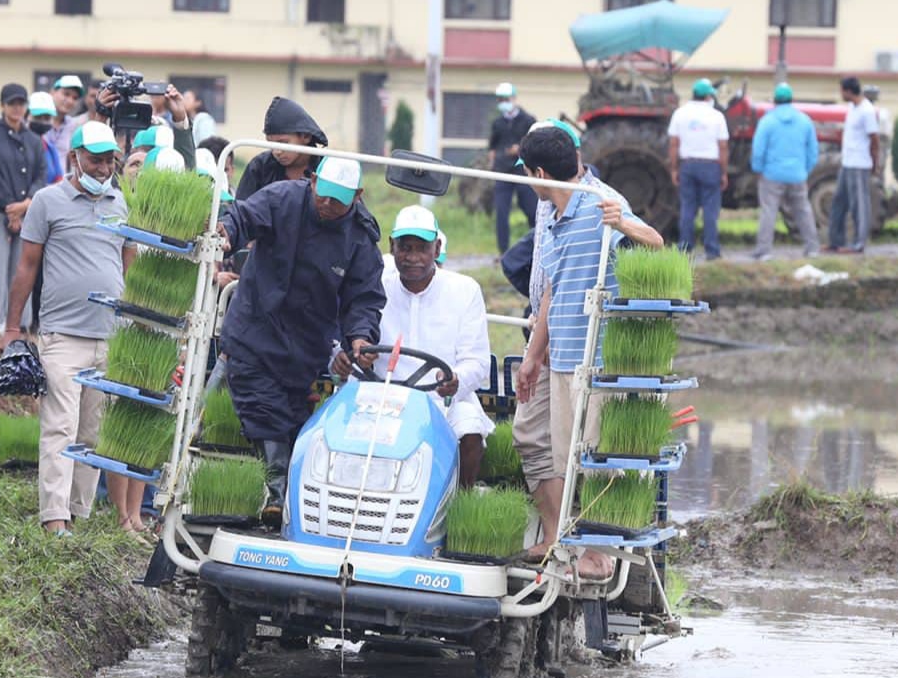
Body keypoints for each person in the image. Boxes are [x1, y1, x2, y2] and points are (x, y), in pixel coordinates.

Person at [515, 126, 658, 578]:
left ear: (540, 174)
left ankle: (598, 556)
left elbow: (655, 243)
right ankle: (565, 542)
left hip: (596, 361)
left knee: (595, 457)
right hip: (561, 358)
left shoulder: (600, 203)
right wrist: (533, 356)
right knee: (566, 458)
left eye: (526, 173)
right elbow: (553, 291)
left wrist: (624, 223)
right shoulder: (554, 217)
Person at [216, 156, 385, 527]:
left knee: (295, 423)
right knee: (263, 411)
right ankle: (276, 494)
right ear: (313, 181)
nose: (327, 203)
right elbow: (244, 216)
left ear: (357, 196)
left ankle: (295, 508)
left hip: (305, 345)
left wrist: (360, 338)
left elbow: (364, 299)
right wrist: (227, 231)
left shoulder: (360, 239)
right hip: (254, 329)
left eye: (338, 200)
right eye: (323, 194)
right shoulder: (282, 198)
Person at [0, 122, 136, 536]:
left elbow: (130, 267)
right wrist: (12, 327)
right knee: (60, 426)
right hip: (62, 335)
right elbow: (27, 266)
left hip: (109, 335)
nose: (103, 169)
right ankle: (54, 517)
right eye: (95, 160)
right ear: (74, 157)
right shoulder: (48, 201)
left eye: (109, 161)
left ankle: (78, 511)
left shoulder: (121, 203)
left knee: (92, 433)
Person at [334, 205, 492, 485]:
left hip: (440, 399)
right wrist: (344, 358)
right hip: (376, 394)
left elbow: (477, 362)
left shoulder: (464, 290)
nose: (413, 257)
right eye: (405, 248)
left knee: (470, 431)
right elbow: (343, 342)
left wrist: (456, 380)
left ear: (437, 248)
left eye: (422, 248)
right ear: (391, 246)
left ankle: (462, 501)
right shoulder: (374, 284)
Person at [0, 83, 48, 348]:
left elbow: (40, 174)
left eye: (21, 103)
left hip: (27, 212)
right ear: (2, 105)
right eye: (11, 103)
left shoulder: (33, 140)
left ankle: (18, 328)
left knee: (22, 268)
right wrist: (11, 206)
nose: (16, 108)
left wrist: (26, 204)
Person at [750, 82, 820, 260]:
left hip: (772, 174)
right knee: (803, 210)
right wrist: (805, 170)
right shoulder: (805, 121)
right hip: (797, 174)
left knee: (769, 211)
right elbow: (813, 151)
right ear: (791, 100)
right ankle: (812, 248)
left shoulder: (767, 121)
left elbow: (758, 150)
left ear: (774, 100)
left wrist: (758, 169)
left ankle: (764, 251)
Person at [667, 78, 729, 260]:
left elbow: (673, 144)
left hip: (687, 165)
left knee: (687, 208)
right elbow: (723, 146)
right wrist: (723, 172)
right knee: (710, 211)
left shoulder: (680, 114)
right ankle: (712, 251)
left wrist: (674, 168)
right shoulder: (717, 116)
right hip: (711, 166)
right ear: (708, 96)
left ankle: (685, 249)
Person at [824, 76, 879, 254]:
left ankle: (859, 243)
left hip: (860, 164)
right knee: (838, 202)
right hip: (847, 162)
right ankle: (835, 241)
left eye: (842, 90)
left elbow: (874, 139)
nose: (840, 94)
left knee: (859, 205)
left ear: (848, 91)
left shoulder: (867, 111)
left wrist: (874, 163)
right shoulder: (852, 108)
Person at [234, 95, 327, 200]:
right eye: (271, 144)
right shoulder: (259, 167)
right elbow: (241, 207)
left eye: (283, 143)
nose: (277, 151)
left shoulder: (328, 169)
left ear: (306, 136)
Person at [487, 82, 538, 255]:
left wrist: (520, 148)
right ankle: (503, 251)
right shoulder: (498, 123)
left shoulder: (528, 120)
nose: (503, 102)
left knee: (531, 209)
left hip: (523, 171)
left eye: (506, 99)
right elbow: (492, 147)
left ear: (514, 98)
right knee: (501, 212)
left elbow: (535, 142)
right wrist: (492, 165)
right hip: (502, 170)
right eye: (500, 99)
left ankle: (537, 245)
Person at [44, 74, 86, 167]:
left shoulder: (74, 126)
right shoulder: (37, 121)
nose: (70, 101)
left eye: (75, 98)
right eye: (66, 94)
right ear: (52, 92)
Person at [28, 91, 66, 184]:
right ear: (27, 116)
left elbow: (59, 179)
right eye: (38, 117)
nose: (42, 122)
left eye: (47, 118)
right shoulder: (17, 147)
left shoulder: (50, 149)